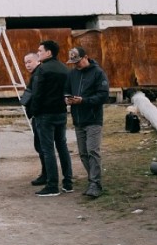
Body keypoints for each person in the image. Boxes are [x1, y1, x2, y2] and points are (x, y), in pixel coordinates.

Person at [31, 39, 73, 196]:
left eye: (40, 51)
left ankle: (52, 185)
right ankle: (68, 182)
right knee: (62, 147)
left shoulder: (42, 70)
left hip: (45, 114)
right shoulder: (64, 68)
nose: (38, 53)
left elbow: (37, 93)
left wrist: (35, 111)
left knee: (48, 149)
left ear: (49, 53)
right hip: (61, 112)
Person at [66, 46, 109, 198]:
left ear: (86, 57)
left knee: (92, 151)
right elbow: (67, 90)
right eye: (73, 63)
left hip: (93, 118)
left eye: (78, 62)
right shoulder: (72, 74)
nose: (76, 65)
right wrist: (67, 98)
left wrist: (84, 101)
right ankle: (93, 181)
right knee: (84, 153)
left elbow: (103, 96)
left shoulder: (98, 73)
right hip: (78, 119)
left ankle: (95, 183)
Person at [21, 52, 47, 185]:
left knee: (43, 147)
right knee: (41, 147)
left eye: (29, 61)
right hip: (38, 115)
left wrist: (33, 111)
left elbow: (37, 96)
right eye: (25, 62)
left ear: (37, 61)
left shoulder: (38, 75)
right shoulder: (35, 75)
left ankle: (46, 175)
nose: (27, 65)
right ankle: (46, 173)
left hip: (40, 115)